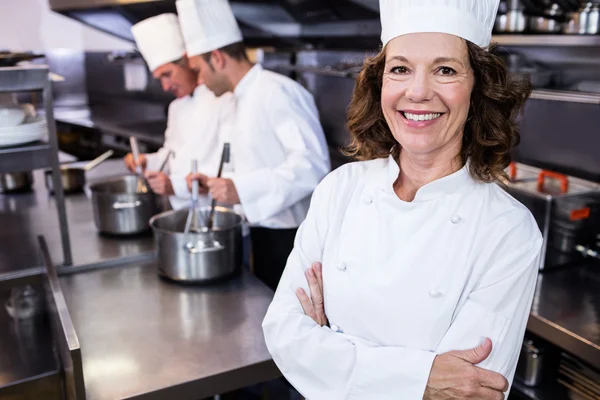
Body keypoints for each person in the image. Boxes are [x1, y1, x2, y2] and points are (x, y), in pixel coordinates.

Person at [262, 0, 543, 398]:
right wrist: (421, 378)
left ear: (478, 86)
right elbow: (284, 332)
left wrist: (329, 350)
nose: (418, 91)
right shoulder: (340, 189)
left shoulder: (508, 229)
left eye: (445, 70)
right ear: (380, 84)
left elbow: (469, 391)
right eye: (400, 69)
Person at [177, 0, 331, 290]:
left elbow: (311, 165)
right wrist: (214, 182)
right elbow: (253, 162)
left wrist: (241, 189)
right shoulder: (235, 100)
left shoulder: (277, 91)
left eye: (198, 70)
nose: (198, 81)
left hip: (291, 240)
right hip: (259, 234)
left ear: (218, 58)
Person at [126, 14, 225, 210]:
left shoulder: (222, 99)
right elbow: (172, 155)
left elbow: (227, 170)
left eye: (167, 74)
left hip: (217, 214)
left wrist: (175, 186)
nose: (165, 86)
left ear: (188, 61)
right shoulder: (176, 107)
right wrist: (148, 162)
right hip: (182, 212)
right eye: (159, 78)